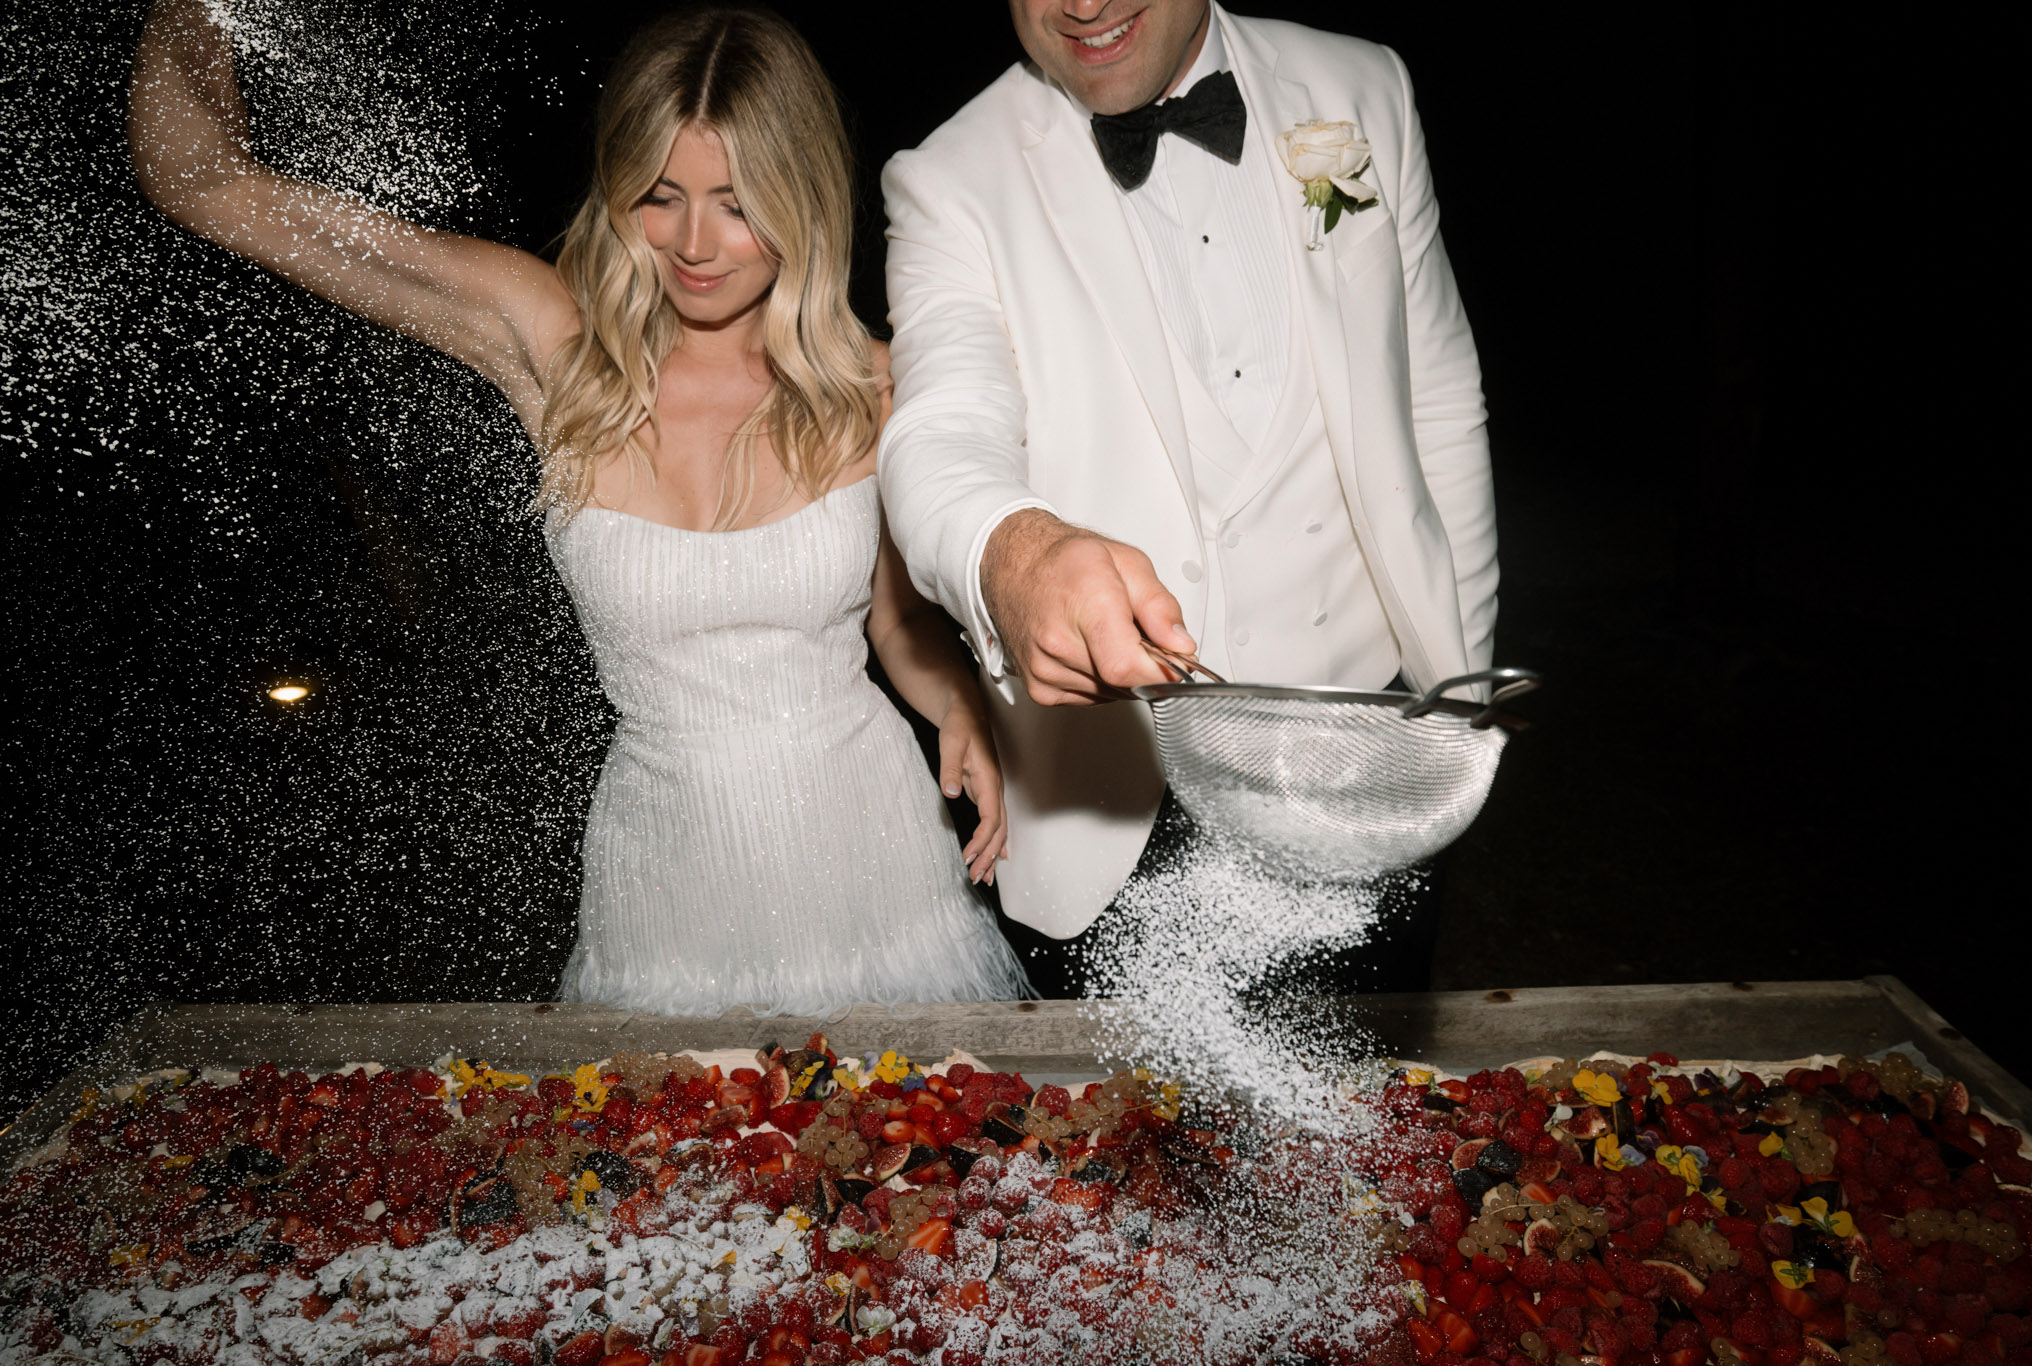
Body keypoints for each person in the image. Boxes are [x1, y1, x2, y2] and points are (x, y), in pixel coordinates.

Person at [128, 0, 1029, 1014]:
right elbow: (202, 183)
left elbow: (896, 620)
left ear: (802, 196)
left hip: (873, 865)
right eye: (658, 194)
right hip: (666, 891)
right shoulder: (555, 349)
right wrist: (190, 10)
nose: (693, 242)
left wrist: (955, 699)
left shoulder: (877, 386)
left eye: (736, 202)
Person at [878, 0, 1499, 995]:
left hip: (1370, 754)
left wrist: (1455, 703)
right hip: (1121, 814)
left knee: (1370, 1126)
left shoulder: (1359, 89)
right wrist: (1015, 551)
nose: (1078, 5)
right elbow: (937, 431)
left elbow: (1434, 396)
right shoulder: (950, 179)